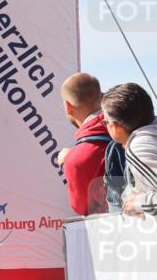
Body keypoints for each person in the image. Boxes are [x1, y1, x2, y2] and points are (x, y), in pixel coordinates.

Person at [58, 73, 124, 215]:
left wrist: (70, 159)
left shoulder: (75, 160)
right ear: (102, 96)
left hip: (118, 233)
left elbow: (83, 208)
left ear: (68, 107)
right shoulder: (133, 125)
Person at [101, 83, 157, 217]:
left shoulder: (139, 147)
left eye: (105, 122)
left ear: (116, 126)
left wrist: (138, 203)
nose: (105, 126)